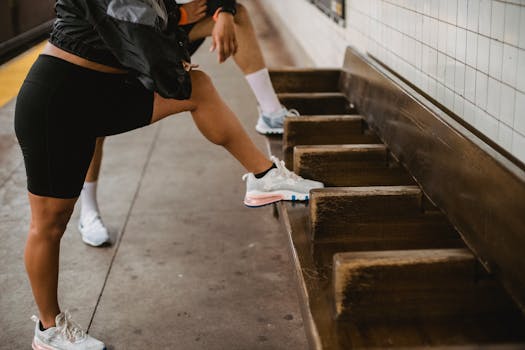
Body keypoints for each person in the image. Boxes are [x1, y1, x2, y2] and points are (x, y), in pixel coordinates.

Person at [14, 0, 323, 348]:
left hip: (103, 93)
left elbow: (156, 20)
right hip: (58, 101)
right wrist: (172, 61)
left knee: (199, 88)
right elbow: (130, 26)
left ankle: (264, 176)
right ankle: (49, 328)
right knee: (50, 223)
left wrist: (196, 18)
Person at [77, 0, 299, 247]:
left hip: (167, 25)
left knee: (237, 17)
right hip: (117, 39)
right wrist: (178, 16)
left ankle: (271, 113)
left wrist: (225, 11)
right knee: (92, 122)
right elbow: (121, 13)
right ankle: (88, 211)